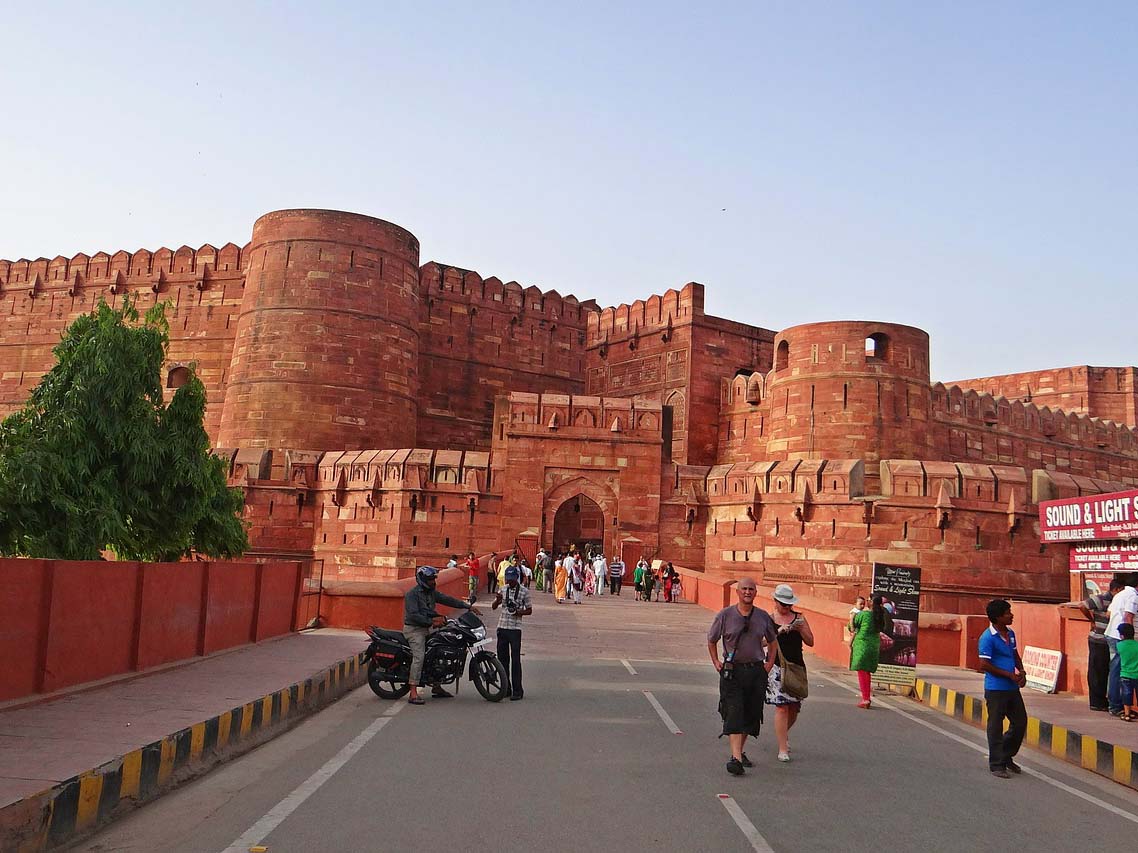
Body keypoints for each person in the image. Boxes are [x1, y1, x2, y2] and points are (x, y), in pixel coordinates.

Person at [708, 577, 779, 776]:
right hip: (733, 671)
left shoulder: (763, 617)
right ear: (737, 592)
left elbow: (773, 642)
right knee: (734, 711)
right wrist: (715, 661)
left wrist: (769, 663)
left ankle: (738, 751)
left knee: (750, 714)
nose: (747, 592)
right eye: (744, 589)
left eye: (751, 589)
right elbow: (711, 640)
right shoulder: (725, 615)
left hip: (756, 671)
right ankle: (736, 758)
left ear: (756, 593)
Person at [403, 565, 479, 706]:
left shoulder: (431, 593)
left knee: (441, 650)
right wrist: (432, 622)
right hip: (415, 630)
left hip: (429, 628)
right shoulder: (411, 595)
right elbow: (414, 616)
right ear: (423, 579)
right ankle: (413, 692)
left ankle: (436, 686)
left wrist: (467, 606)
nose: (433, 581)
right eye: (430, 579)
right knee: (419, 656)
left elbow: (448, 599)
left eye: (434, 578)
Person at [978, 599, 1027, 778]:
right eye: (1007, 613)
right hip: (996, 688)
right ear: (998, 617)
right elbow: (984, 664)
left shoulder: (1010, 634)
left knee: (1020, 722)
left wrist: (1021, 672)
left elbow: (1014, 654)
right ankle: (997, 764)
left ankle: (1006, 755)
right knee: (996, 726)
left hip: (1011, 688)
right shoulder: (987, 638)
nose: (1011, 615)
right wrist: (1008, 675)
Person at [767, 584, 814, 762]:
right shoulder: (770, 620)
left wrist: (801, 629)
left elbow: (811, 642)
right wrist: (777, 632)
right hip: (777, 667)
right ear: (776, 602)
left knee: (794, 708)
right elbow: (763, 643)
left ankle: (782, 734)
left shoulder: (800, 618)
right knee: (782, 707)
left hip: (795, 667)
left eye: (788, 604)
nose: (786, 607)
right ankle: (782, 749)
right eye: (783, 604)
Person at [1079, 577, 1121, 711]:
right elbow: (1083, 606)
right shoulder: (1101, 598)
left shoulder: (1117, 600)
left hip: (1109, 639)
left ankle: (1104, 700)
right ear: (1115, 589)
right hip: (1098, 639)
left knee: (1106, 671)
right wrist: (1091, 620)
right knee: (1097, 671)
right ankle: (1096, 702)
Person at [492, 565, 532, 701]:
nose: (510, 582)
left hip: (515, 629)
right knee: (502, 660)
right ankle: (506, 688)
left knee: (515, 661)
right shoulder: (503, 590)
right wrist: (497, 600)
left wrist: (517, 612)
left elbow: (529, 610)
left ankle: (517, 690)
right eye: (508, 579)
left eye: (512, 579)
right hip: (502, 627)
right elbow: (493, 607)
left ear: (517, 578)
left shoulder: (524, 592)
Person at [849, 594, 890, 708]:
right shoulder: (880, 616)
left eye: (868, 600)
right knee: (867, 672)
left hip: (863, 646)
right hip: (874, 646)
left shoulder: (863, 615)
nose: (867, 601)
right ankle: (866, 697)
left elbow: (851, 626)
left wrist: (852, 618)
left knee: (862, 672)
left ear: (871, 602)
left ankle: (866, 699)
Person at [1106, 573, 1138, 717]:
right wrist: (1130, 639)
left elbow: (1108, 613)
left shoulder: (1120, 594)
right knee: (1121, 671)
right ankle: (1116, 706)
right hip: (1121, 637)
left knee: (1115, 671)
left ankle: (1114, 704)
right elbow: (1128, 617)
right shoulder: (1132, 595)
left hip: (1111, 633)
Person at [1118, 623, 1138, 721]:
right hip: (1137, 674)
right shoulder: (1137, 645)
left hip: (1125, 674)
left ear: (1122, 635)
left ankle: (1127, 714)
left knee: (1126, 694)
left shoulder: (1120, 645)